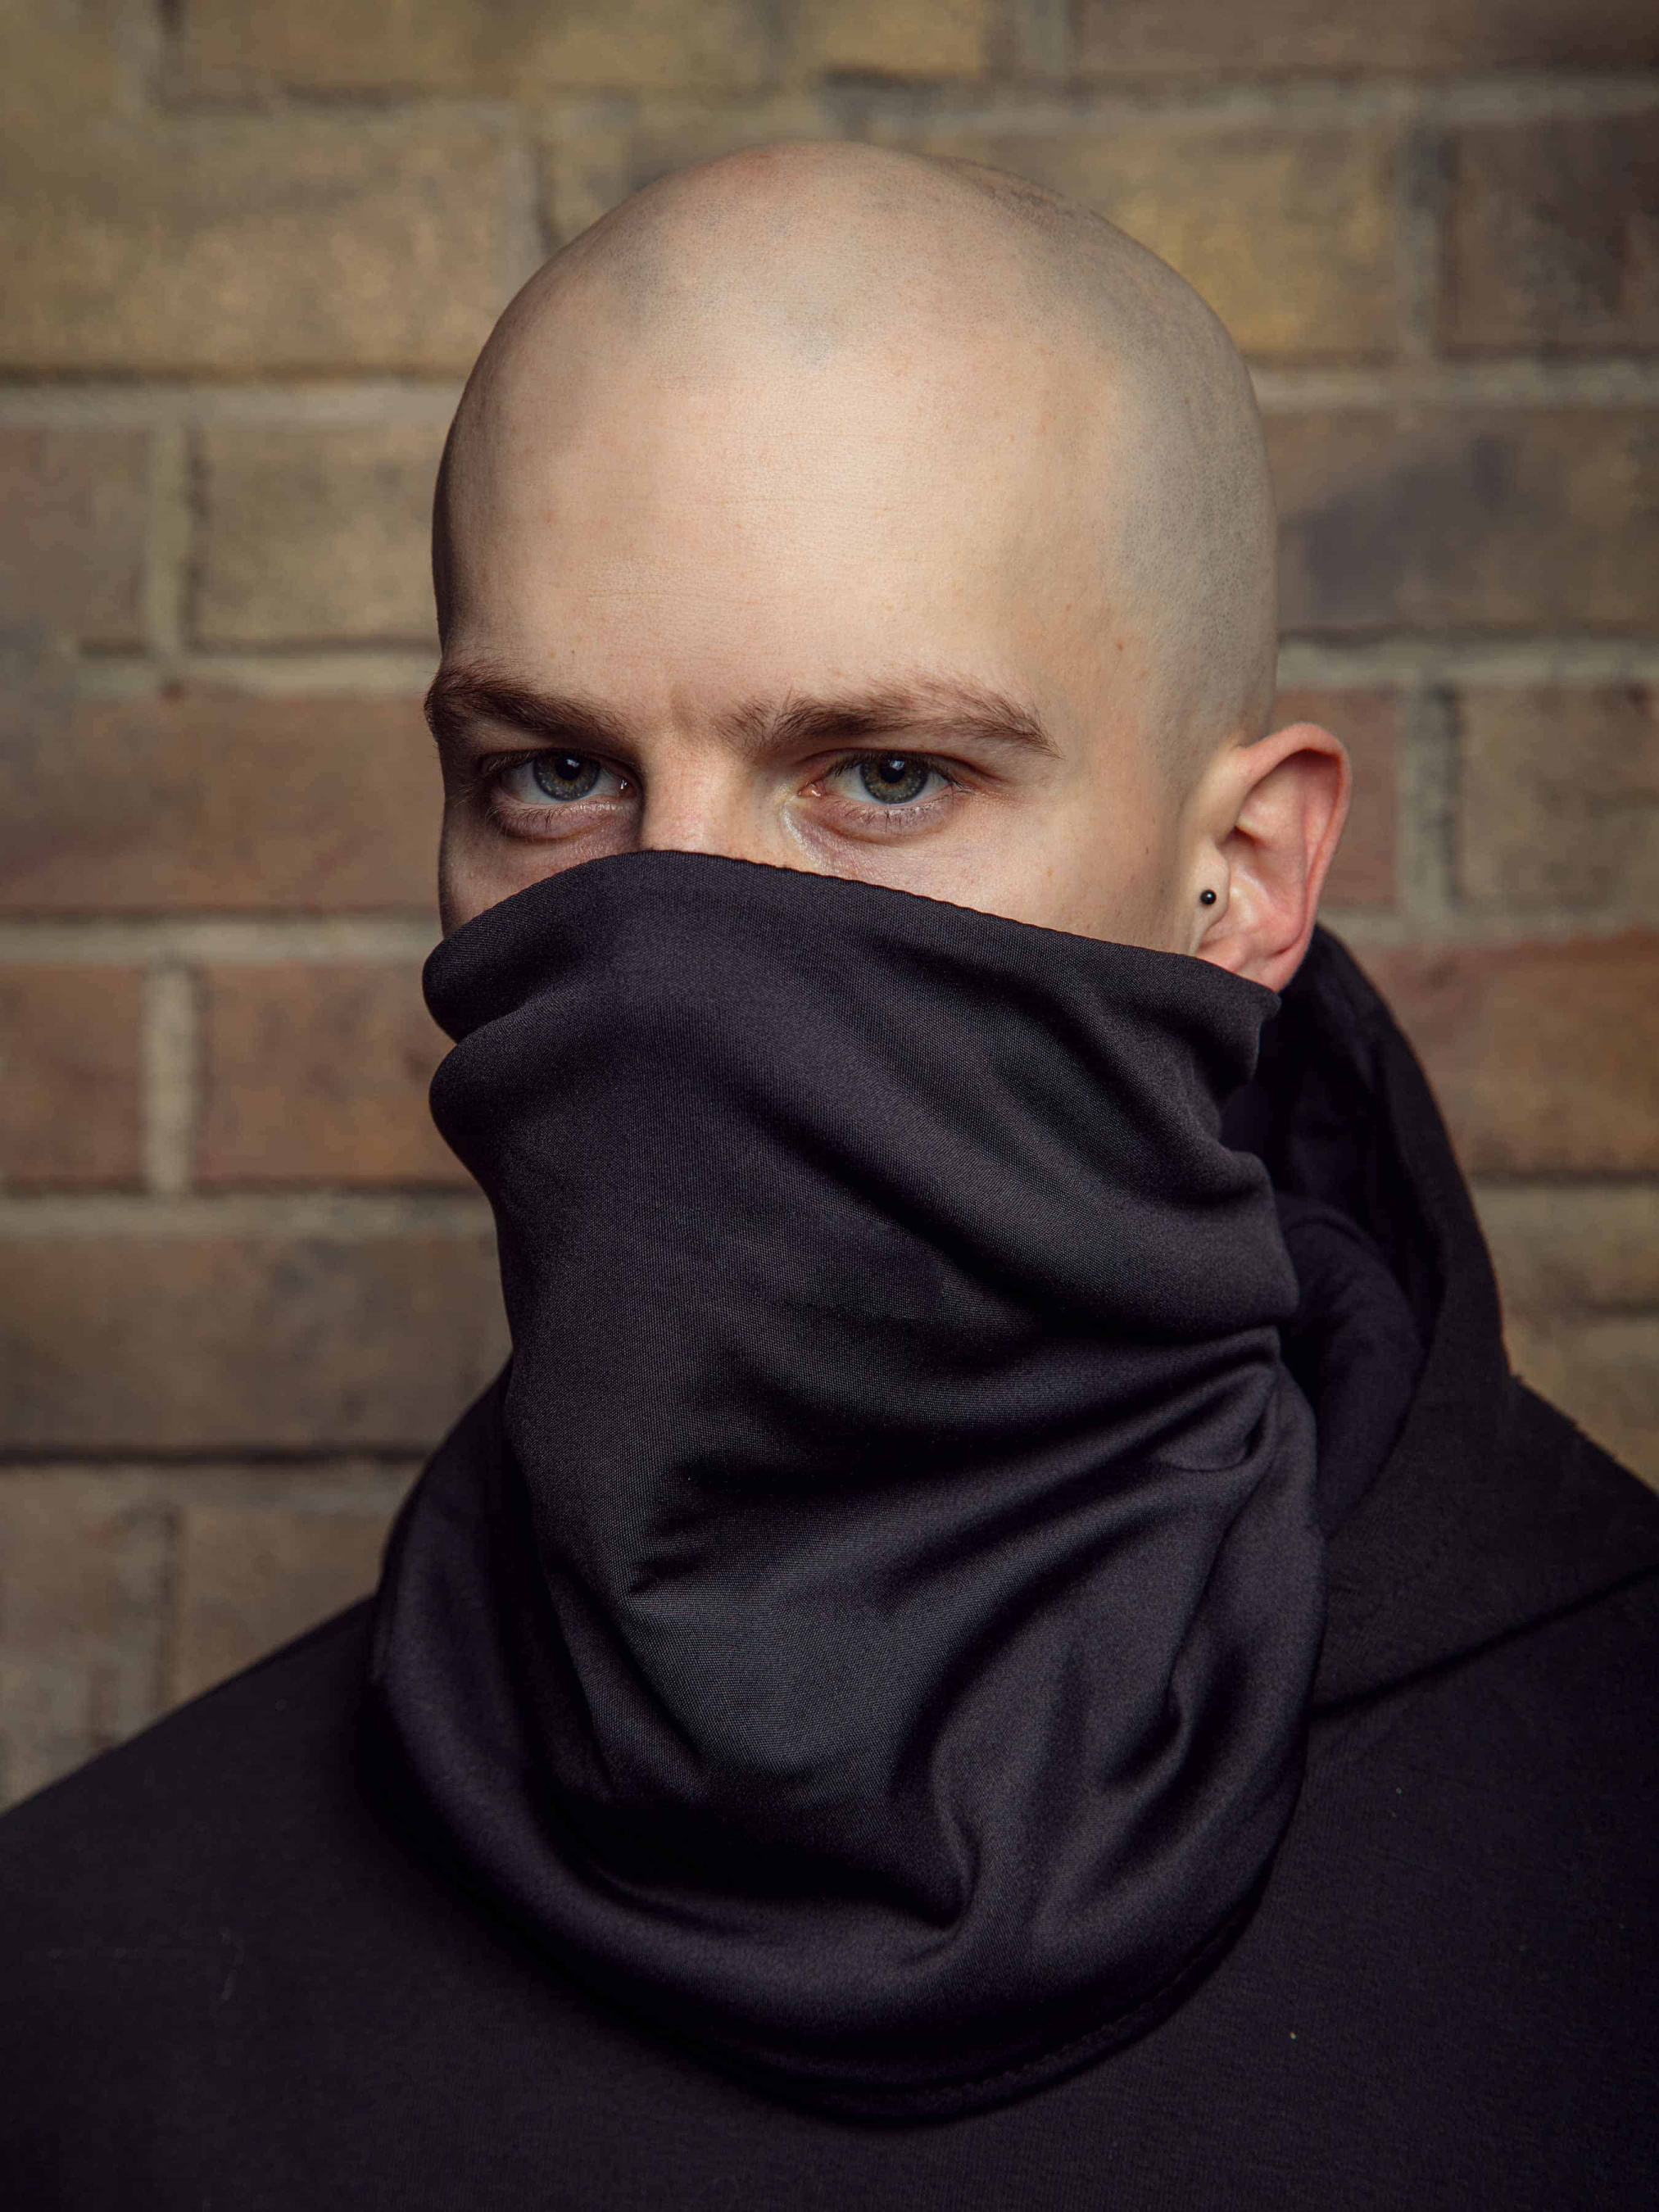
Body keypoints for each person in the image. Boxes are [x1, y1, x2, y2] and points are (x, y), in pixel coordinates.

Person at [2, 143, 1655, 2209]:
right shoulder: (80, 2010)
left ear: (1239, 875)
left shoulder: (1606, 1866)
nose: (674, 937)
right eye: (552, 773)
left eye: (882, 775)